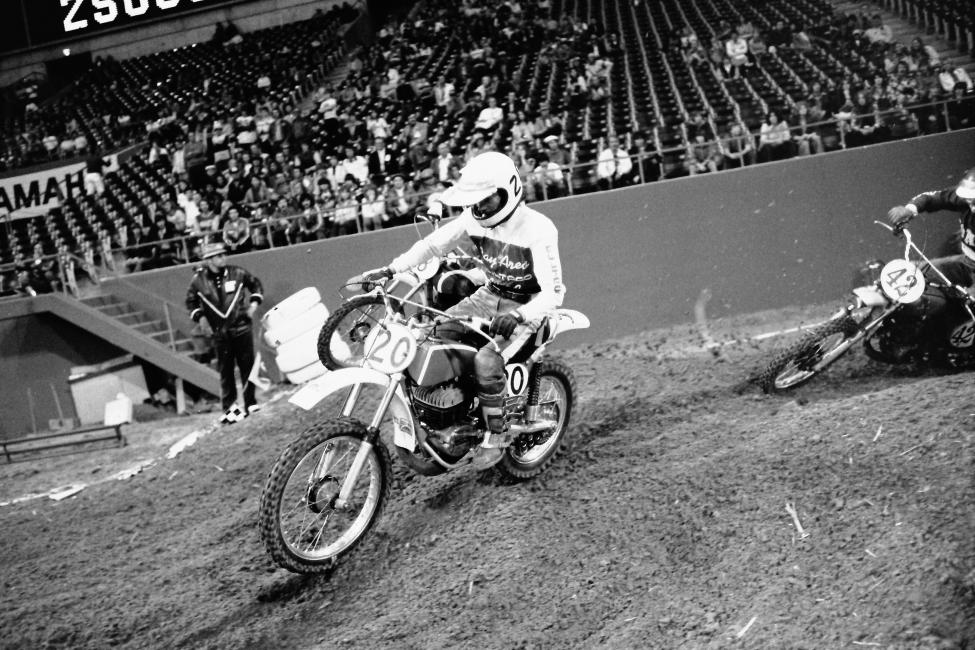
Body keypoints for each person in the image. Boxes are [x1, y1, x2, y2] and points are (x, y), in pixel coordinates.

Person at [358, 152, 565, 468]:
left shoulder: (538, 228)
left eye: (487, 201)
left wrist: (519, 316)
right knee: (434, 335)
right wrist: (389, 270)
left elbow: (554, 293)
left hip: (527, 306)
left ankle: (497, 434)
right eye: (475, 202)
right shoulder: (471, 219)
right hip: (489, 294)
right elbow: (432, 245)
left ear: (509, 189)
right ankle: (450, 413)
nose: (480, 208)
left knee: (486, 360)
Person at [185, 242, 264, 423]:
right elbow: (190, 302)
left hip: (241, 328)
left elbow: (255, 285)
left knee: (247, 366)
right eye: (218, 256)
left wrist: (253, 304)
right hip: (219, 333)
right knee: (225, 371)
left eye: (223, 255)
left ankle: (250, 402)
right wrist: (201, 318)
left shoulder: (237, 272)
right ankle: (230, 408)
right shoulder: (198, 280)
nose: (223, 258)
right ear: (209, 260)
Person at [886, 169, 975, 318]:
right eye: (969, 199)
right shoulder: (965, 199)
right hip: (966, 263)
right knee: (916, 272)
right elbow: (933, 197)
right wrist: (910, 209)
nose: (970, 204)